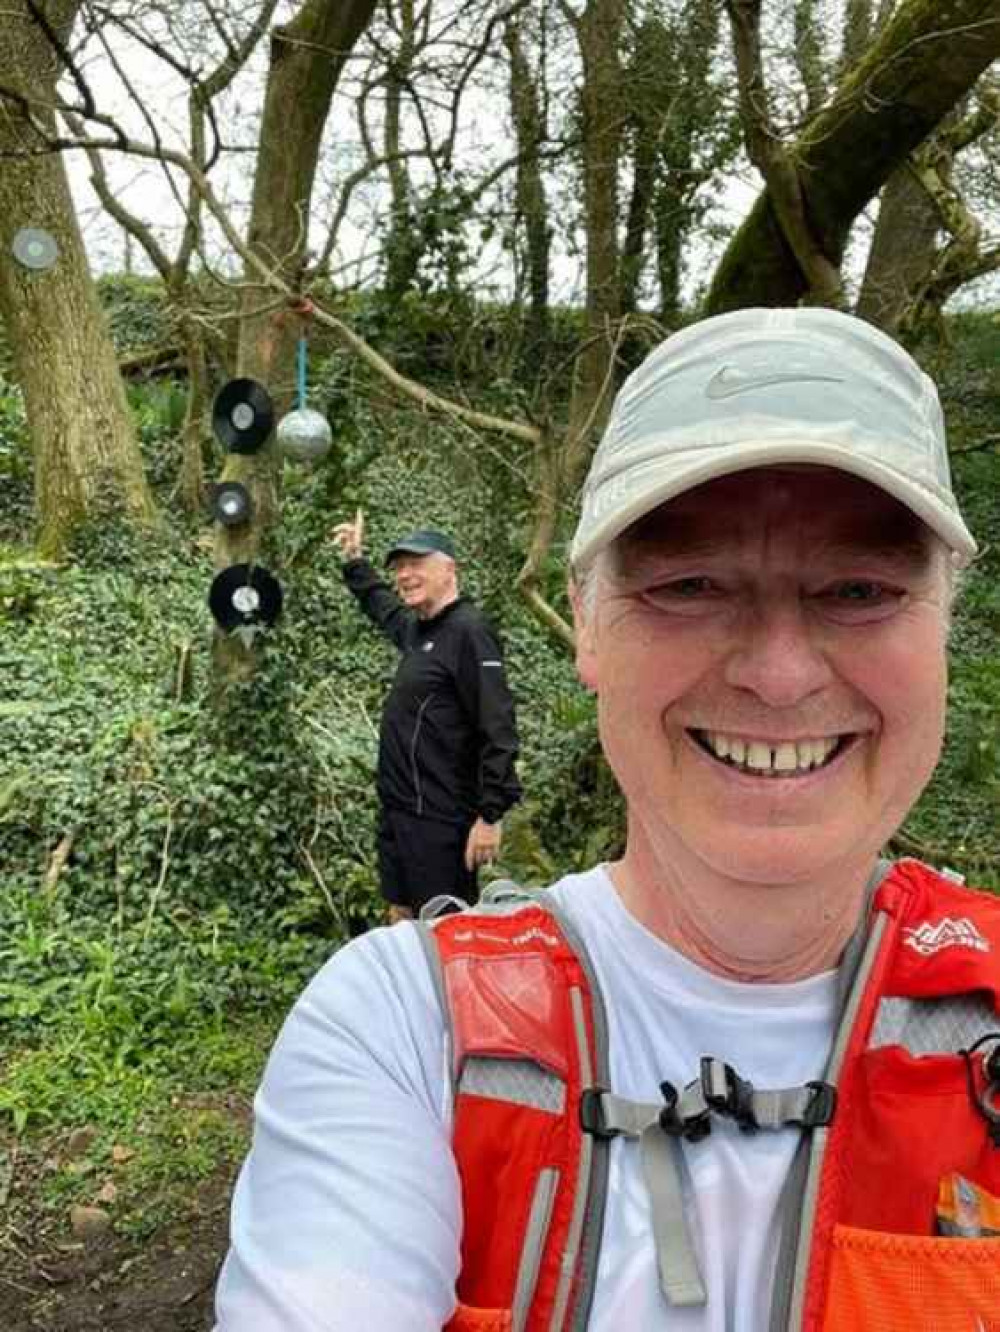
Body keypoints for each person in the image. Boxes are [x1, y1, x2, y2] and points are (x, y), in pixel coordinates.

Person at [214, 308, 1000, 1331]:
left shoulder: (470, 639)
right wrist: (359, 570)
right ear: (586, 622)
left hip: (450, 819)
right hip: (405, 831)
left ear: (948, 624)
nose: (776, 671)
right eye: (689, 585)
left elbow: (492, 730)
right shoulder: (401, 1025)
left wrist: (490, 811)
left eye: (859, 588)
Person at [330, 512, 521, 923]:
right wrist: (354, 560)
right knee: (400, 915)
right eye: (399, 567)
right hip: (398, 812)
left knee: (443, 929)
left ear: (449, 568)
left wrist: (491, 815)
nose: (404, 575)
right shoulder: (420, 631)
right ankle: (405, 986)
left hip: (440, 821)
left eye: (415, 564)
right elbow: (383, 607)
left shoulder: (470, 632)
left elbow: (498, 724)